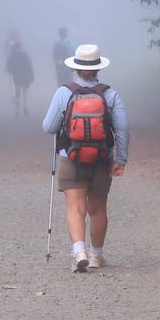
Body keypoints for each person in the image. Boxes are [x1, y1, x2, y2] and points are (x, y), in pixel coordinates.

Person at [42, 44, 129, 272]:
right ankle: (96, 256)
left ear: (76, 67)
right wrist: (120, 158)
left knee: (75, 206)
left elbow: (48, 127)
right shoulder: (110, 94)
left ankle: (78, 252)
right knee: (98, 206)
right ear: (99, 67)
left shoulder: (64, 92)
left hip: (70, 156)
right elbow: (122, 130)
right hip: (101, 158)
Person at [5, 40, 34, 117]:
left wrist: (13, 72)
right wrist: (31, 76)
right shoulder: (25, 55)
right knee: (25, 92)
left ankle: (17, 111)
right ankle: (25, 106)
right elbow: (29, 66)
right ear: (21, 47)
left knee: (17, 93)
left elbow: (8, 66)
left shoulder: (12, 56)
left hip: (17, 76)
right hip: (25, 76)